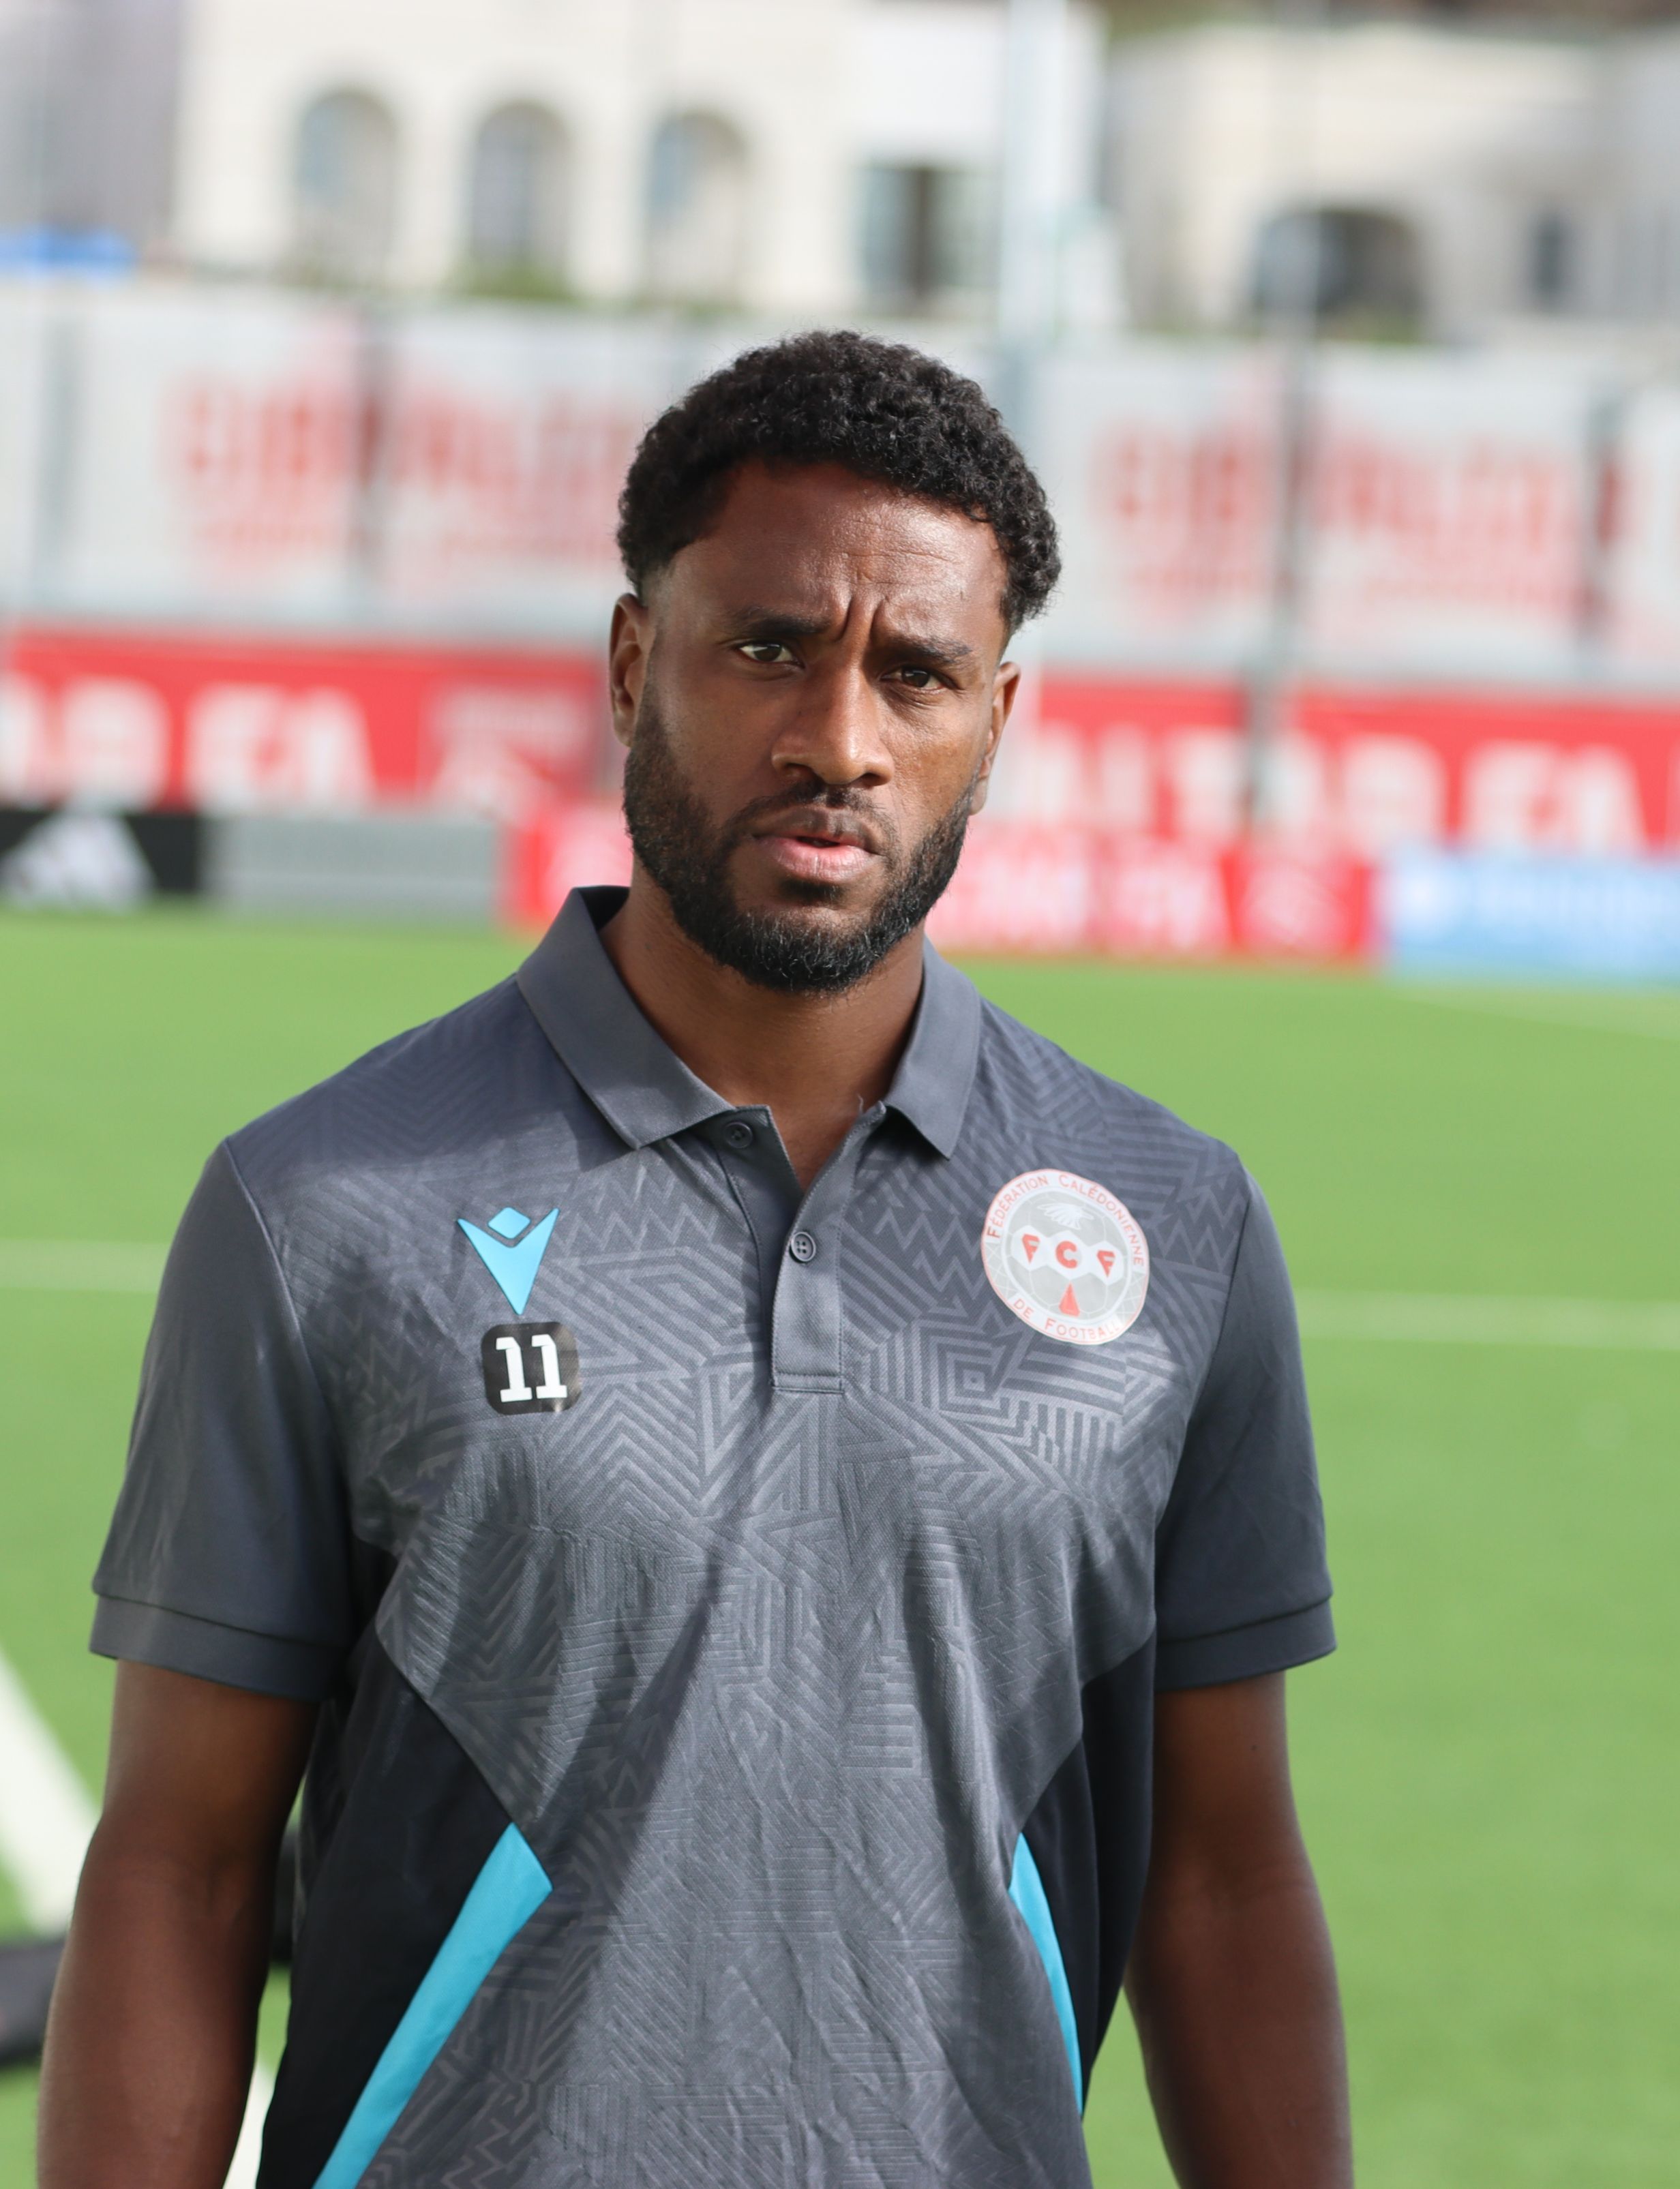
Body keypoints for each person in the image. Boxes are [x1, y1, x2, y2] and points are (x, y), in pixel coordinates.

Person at [40, 333, 1351, 2187]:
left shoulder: (1177, 1224)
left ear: (1000, 715)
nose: (841, 737)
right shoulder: (325, 1204)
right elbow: (179, 1865)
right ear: (635, 661)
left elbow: (1226, 1874)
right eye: (767, 647)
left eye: (918, 672)